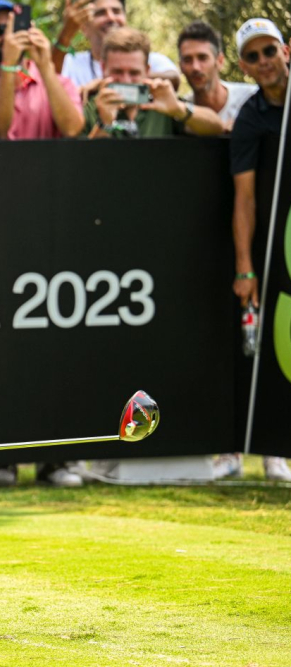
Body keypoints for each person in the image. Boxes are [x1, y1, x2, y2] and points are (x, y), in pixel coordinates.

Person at [227, 18, 291, 483]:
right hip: (281, 245)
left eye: (269, 51)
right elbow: (244, 198)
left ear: (285, 50)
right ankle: (276, 450)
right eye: (253, 56)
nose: (264, 62)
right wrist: (245, 267)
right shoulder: (251, 117)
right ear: (244, 67)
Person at [82, 27, 223, 139]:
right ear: (103, 68)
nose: (126, 80)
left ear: (147, 70)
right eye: (117, 72)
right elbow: (80, 165)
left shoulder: (161, 103)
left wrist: (178, 109)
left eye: (134, 73)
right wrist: (103, 124)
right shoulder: (88, 107)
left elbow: (216, 126)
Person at [0, 0, 84, 139]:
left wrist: (45, 67)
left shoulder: (62, 83)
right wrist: (9, 65)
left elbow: (72, 129)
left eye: (14, 29)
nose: (8, 37)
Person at [53, 0, 179, 90]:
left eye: (116, 11)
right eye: (101, 13)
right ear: (84, 27)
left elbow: (174, 79)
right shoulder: (71, 63)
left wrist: (127, 79)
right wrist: (66, 34)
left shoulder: (150, 59)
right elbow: (47, 82)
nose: (111, 17)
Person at [177, 21, 257, 134]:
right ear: (180, 66)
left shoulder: (251, 98)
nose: (195, 67)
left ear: (219, 61)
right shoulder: (181, 113)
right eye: (187, 60)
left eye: (202, 58)